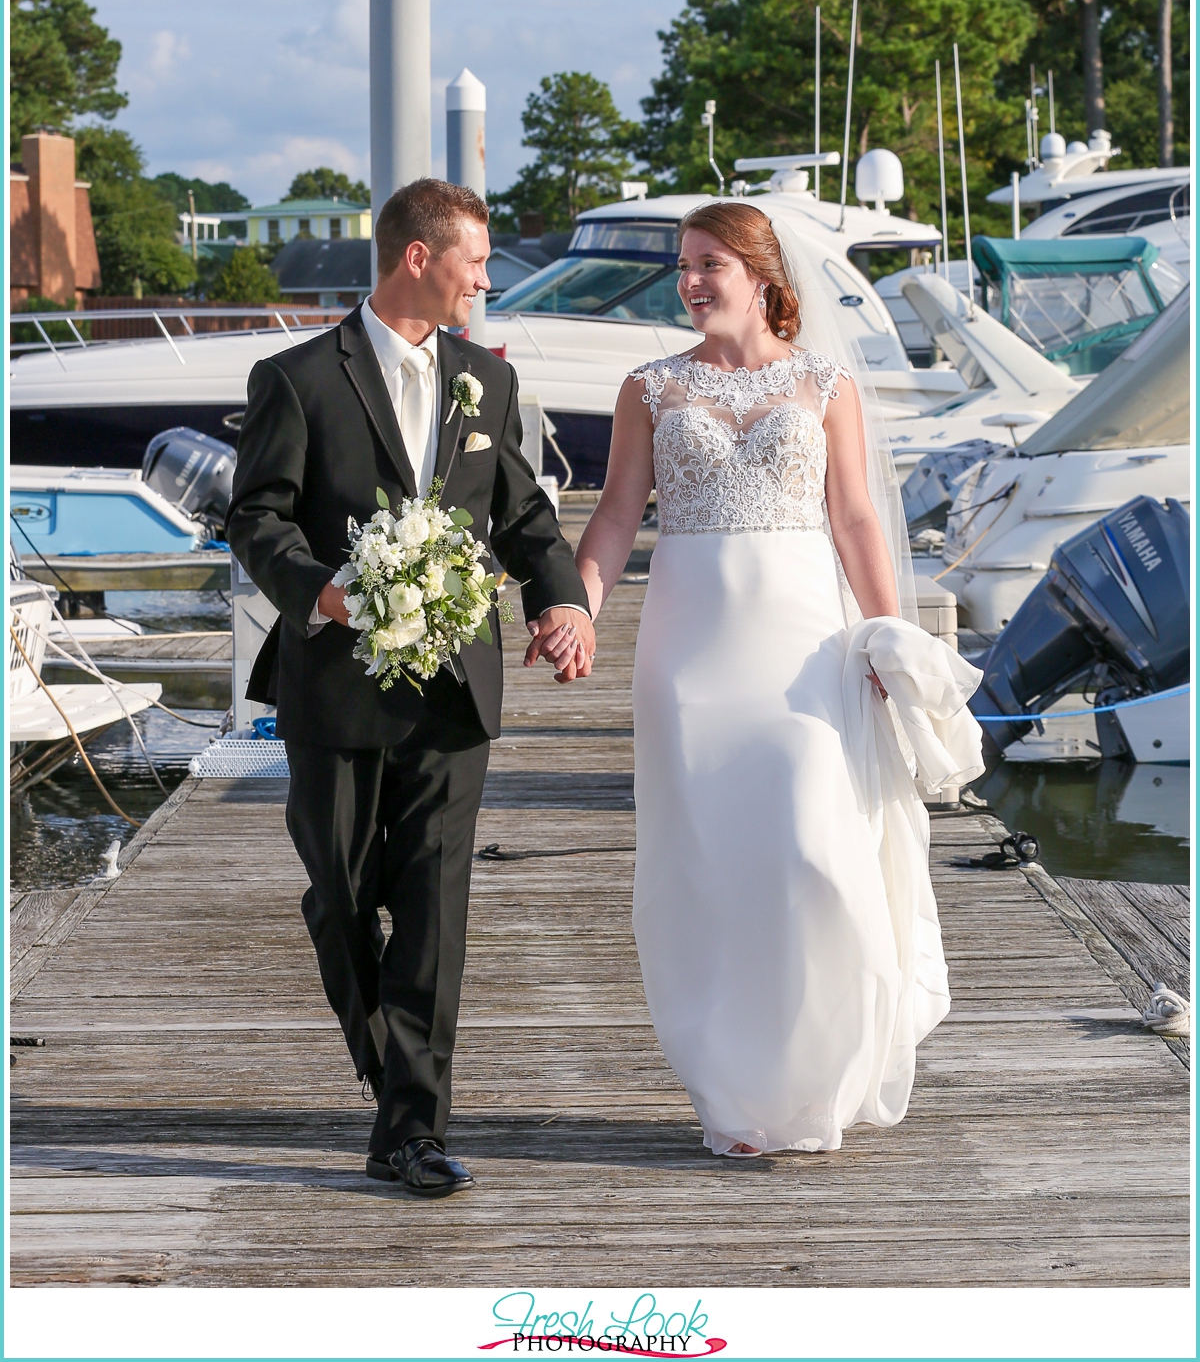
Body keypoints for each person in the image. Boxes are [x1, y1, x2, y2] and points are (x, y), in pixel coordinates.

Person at [571, 201, 982, 1158]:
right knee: (711, 869)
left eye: (711, 262)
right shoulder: (651, 387)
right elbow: (617, 515)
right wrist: (580, 603)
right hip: (690, 652)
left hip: (803, 649)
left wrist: (888, 638)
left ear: (762, 274)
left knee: (812, 851)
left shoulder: (824, 382)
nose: (692, 279)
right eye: (685, 265)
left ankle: (819, 1078)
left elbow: (857, 522)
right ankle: (739, 1097)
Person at [227, 179, 596, 1198]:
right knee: (343, 897)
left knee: (434, 906)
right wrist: (325, 592)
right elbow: (258, 518)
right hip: (335, 686)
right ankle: (393, 1073)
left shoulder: (486, 379)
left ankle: (412, 1126)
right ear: (418, 259)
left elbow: (518, 509)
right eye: (474, 260)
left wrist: (560, 602)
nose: (486, 278)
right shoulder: (298, 378)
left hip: (454, 691)